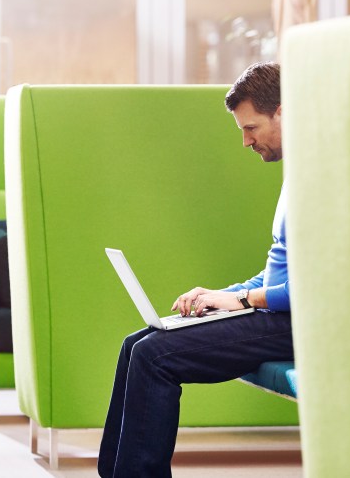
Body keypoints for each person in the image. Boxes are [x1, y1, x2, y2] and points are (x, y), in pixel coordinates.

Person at [98, 61, 293, 478]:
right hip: (276, 312)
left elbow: (318, 288)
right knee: (137, 343)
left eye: (251, 127)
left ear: (283, 111)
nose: (245, 141)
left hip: (299, 322)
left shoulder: (325, 180)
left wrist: (241, 300)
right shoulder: (295, 177)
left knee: (155, 356)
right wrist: (220, 295)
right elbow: (278, 274)